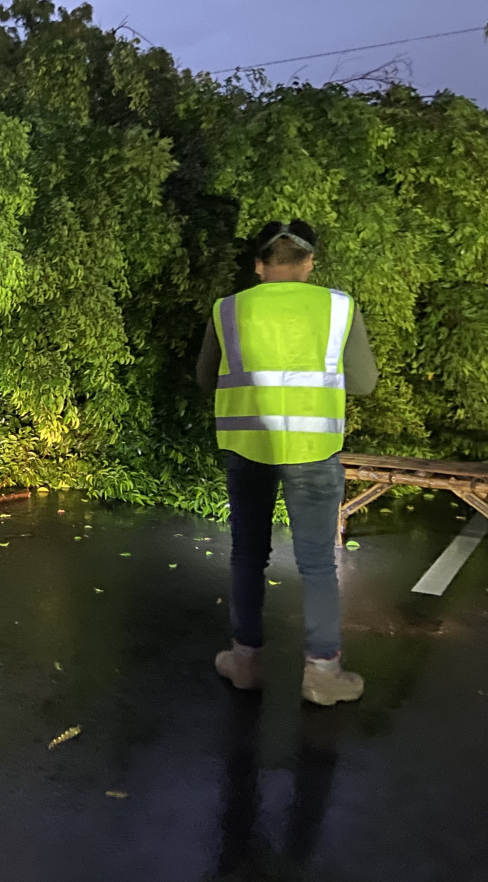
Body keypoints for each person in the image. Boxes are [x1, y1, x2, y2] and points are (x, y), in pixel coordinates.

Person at [196, 220, 378, 706]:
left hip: (247, 445)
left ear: (259, 265)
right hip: (313, 450)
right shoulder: (338, 307)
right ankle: (322, 674)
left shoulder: (228, 308)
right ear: (309, 263)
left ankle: (245, 663)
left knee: (247, 554)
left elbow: (205, 378)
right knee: (317, 562)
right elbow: (364, 382)